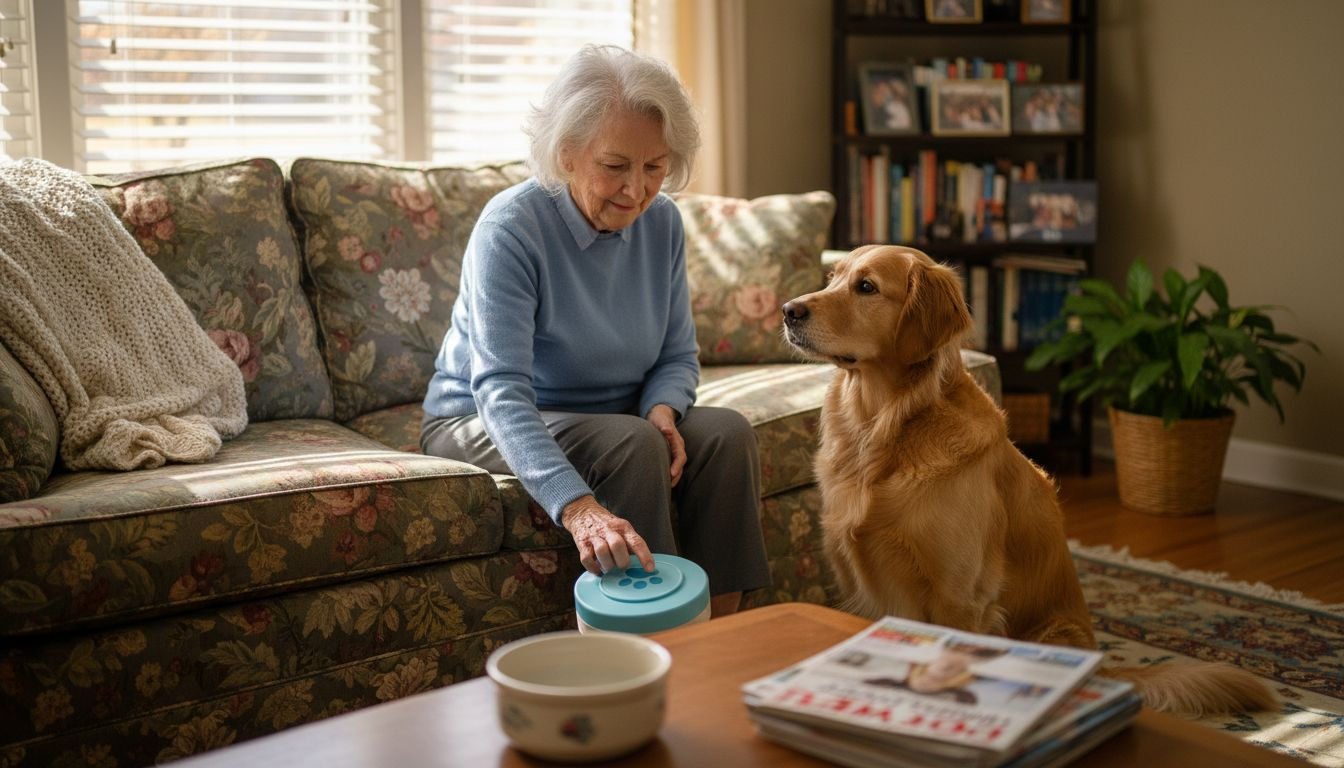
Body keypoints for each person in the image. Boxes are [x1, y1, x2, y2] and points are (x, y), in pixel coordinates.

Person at [420, 44, 769, 618]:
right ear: (566, 155)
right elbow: (501, 393)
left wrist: (663, 408)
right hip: (482, 417)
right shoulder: (512, 229)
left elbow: (678, 353)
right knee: (631, 446)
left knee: (727, 435)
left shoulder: (662, 223)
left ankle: (719, 637)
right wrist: (579, 507)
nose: (637, 189)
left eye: (654, 166)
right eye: (615, 166)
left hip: (619, 411)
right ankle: (652, 642)